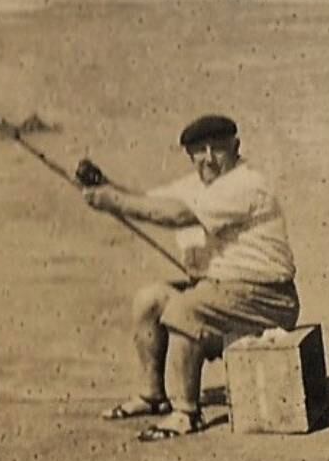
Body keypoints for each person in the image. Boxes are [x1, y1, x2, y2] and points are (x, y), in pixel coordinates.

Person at [81, 114, 299, 441]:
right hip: (224, 293)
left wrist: (112, 201)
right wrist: (105, 186)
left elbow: (177, 214)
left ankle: (186, 413)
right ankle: (152, 395)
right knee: (151, 300)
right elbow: (151, 202)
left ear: (236, 147)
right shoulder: (199, 184)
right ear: (190, 155)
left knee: (184, 309)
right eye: (199, 150)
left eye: (218, 149)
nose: (208, 157)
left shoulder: (245, 183)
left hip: (268, 298)